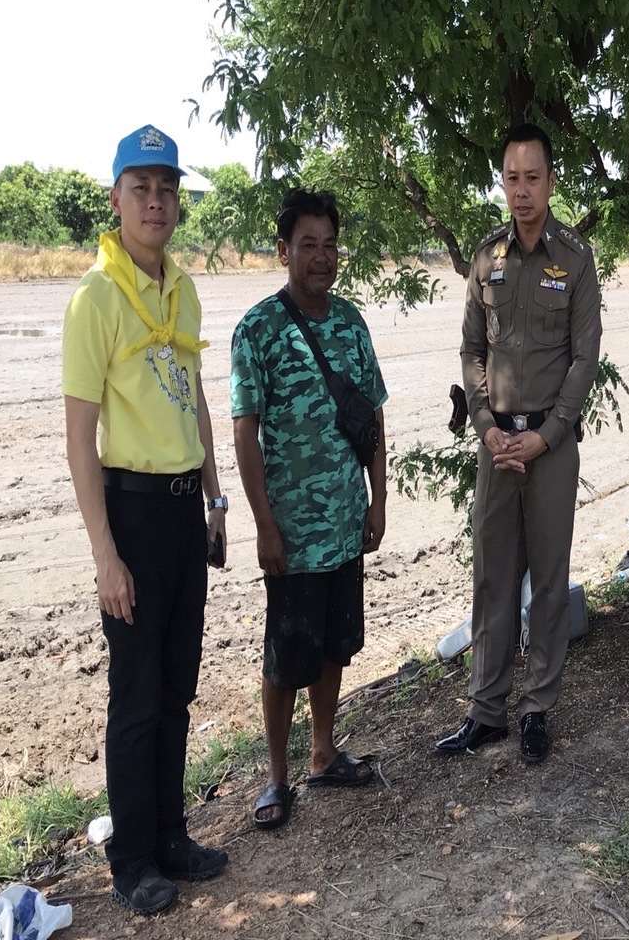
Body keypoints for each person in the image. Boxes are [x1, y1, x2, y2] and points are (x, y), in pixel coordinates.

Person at [62, 125, 229, 914]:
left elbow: (192, 395)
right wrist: (105, 555)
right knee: (134, 696)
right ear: (116, 198)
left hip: (183, 513)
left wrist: (215, 496)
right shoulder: (95, 299)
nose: (156, 201)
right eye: (142, 188)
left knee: (176, 688)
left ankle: (171, 837)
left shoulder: (182, 288)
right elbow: (78, 440)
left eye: (167, 189)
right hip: (129, 512)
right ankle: (131, 860)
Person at [436, 124, 602, 763]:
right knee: (493, 576)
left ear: (551, 182)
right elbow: (471, 349)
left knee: (550, 580)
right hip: (497, 443)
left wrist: (548, 433)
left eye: (533, 178)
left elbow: (584, 358)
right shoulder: (487, 258)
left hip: (551, 445)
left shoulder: (575, 259)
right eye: (512, 178)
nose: (522, 190)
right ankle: (486, 709)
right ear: (502, 182)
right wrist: (485, 426)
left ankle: (537, 709)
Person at [230, 189, 387, 828]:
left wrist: (379, 499)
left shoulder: (351, 324)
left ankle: (323, 753)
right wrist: (264, 526)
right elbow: (245, 434)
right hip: (291, 536)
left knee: (333, 648)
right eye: (308, 245)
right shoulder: (258, 329)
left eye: (330, 245)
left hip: (346, 523)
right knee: (285, 657)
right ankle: (276, 778)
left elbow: (372, 417)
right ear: (284, 251)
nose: (322, 257)